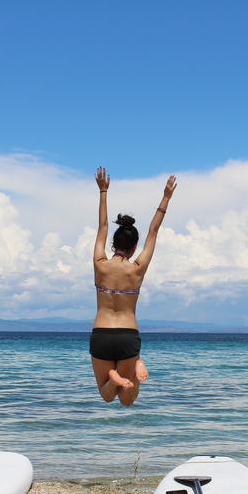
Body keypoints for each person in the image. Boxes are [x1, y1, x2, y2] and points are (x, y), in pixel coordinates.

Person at [89, 166, 176, 405]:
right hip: (128, 334)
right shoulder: (138, 268)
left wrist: (103, 191)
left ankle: (114, 379)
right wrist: (166, 198)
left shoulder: (100, 264)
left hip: (102, 334)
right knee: (128, 400)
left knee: (106, 397)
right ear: (134, 246)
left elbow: (103, 227)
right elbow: (153, 231)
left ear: (114, 243)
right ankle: (137, 365)